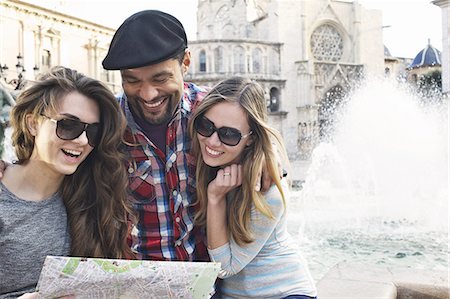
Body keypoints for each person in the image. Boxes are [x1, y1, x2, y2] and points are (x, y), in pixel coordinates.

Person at [0, 66, 133, 298]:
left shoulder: (94, 197)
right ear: (33, 124)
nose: (82, 140)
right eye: (68, 125)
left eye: (93, 132)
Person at [189, 77, 317, 299]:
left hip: (284, 293)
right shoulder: (214, 162)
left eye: (229, 134)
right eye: (206, 126)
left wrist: (216, 198)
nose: (212, 141)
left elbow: (225, 268)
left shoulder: (268, 191)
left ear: (251, 139)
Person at [101, 9, 210, 261]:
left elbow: (262, 143)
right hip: (136, 284)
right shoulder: (105, 124)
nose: (148, 94)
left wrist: (269, 157)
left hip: (212, 283)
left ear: (185, 63)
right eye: (132, 81)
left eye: (160, 78)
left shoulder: (214, 112)